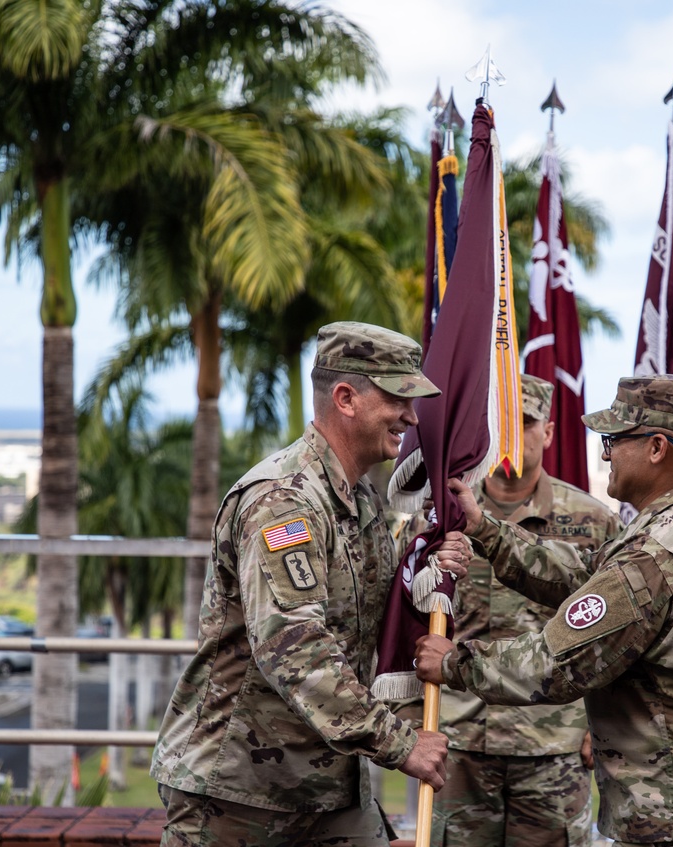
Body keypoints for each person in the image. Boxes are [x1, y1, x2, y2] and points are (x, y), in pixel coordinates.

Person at [417, 374, 673, 847]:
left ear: (656, 448)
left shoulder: (657, 556)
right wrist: (488, 531)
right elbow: (589, 576)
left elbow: (554, 663)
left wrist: (452, 663)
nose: (605, 454)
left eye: (613, 440)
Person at [151, 321, 471, 847]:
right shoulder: (284, 498)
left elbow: (372, 603)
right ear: (346, 398)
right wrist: (399, 743)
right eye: (397, 399)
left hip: (326, 785)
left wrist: (428, 554)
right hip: (240, 791)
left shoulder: (358, 498)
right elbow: (293, 647)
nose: (411, 417)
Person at [422, 374, 622, 847]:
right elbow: (408, 623)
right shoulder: (440, 516)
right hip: (460, 740)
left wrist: (604, 728)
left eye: (525, 423)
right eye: (500, 424)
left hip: (553, 744)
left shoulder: (594, 521)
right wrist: (414, 720)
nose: (512, 437)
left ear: (548, 433)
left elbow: (617, 634)